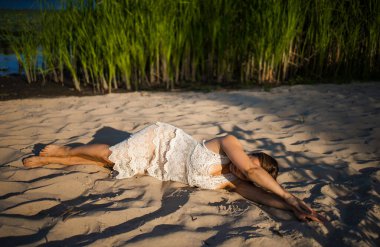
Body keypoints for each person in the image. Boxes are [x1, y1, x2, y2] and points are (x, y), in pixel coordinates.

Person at [23, 122, 324, 223]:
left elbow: (261, 193)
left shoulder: (233, 184)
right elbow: (250, 169)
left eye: (249, 167)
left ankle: (64, 161)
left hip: (159, 166)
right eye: (247, 158)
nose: (242, 162)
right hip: (161, 140)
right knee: (111, 154)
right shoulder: (230, 144)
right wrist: (290, 195)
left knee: (110, 164)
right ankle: (67, 151)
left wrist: (292, 207)